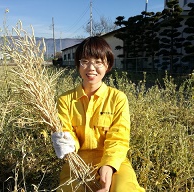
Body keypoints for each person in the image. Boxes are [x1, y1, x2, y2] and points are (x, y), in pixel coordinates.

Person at [51, 36, 145, 192]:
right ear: (78, 65)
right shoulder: (65, 100)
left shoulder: (117, 98)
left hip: (114, 160)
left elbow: (119, 138)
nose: (91, 68)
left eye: (98, 62)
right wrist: (67, 143)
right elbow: (66, 132)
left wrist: (109, 165)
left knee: (124, 189)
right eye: (85, 61)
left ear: (107, 65)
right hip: (77, 162)